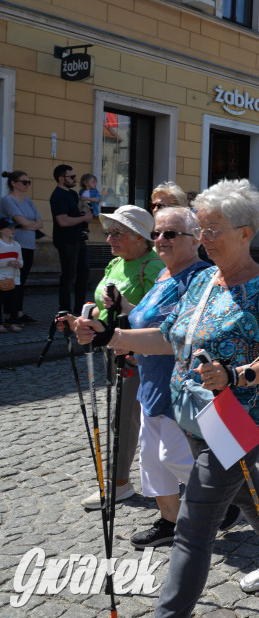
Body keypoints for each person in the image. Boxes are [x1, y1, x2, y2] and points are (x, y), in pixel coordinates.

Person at [78, 179, 259, 610]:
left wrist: (237, 376)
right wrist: (110, 336)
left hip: (238, 419)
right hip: (192, 414)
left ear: (245, 233)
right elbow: (168, 337)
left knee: (194, 524)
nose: (203, 239)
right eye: (200, 229)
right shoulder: (205, 283)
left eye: (212, 230)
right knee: (246, 488)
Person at [79, 205, 165, 509]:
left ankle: (118, 485)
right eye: (109, 232)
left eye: (118, 233)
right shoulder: (115, 263)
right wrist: (88, 312)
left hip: (139, 355)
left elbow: (161, 317)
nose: (109, 239)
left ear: (141, 238)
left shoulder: (154, 267)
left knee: (126, 419)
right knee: (124, 416)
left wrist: (126, 313)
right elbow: (101, 303)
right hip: (113, 348)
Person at [1, 170, 43, 325]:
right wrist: (29, 225)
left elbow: (40, 222)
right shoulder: (7, 200)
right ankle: (9, 314)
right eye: (24, 182)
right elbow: (22, 222)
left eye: (28, 182)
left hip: (29, 245)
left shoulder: (29, 201)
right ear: (13, 183)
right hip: (13, 246)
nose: (27, 185)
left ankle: (18, 313)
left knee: (21, 280)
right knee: (10, 280)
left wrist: (27, 225)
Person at [50, 164, 93, 314]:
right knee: (68, 275)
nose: (75, 179)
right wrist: (83, 219)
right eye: (72, 177)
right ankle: (65, 309)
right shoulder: (57, 196)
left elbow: (75, 215)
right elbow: (63, 221)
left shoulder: (73, 194)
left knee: (84, 274)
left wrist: (85, 215)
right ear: (61, 179)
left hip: (78, 238)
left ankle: (80, 309)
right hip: (66, 240)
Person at [0, 217, 24, 333]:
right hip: (1, 277)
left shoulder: (17, 245)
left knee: (14, 302)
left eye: (14, 228)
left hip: (14, 278)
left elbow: (21, 260)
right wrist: (7, 263)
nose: (13, 230)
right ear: (1, 230)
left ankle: (13, 322)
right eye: (9, 228)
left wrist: (19, 264)